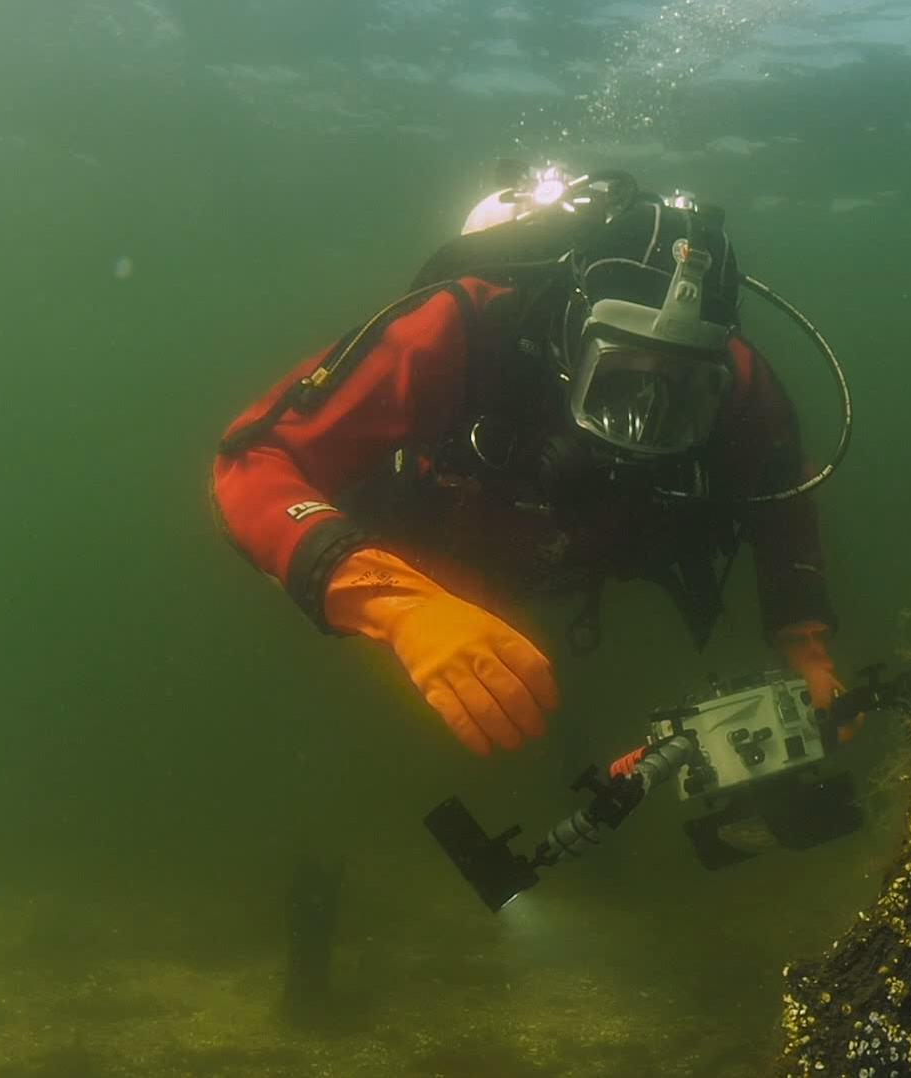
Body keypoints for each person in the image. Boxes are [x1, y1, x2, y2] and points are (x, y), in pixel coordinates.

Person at [210, 165, 850, 758]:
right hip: (436, 548)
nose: (640, 426)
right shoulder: (461, 329)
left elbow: (782, 496)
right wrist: (398, 606)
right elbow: (253, 461)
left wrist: (807, 646)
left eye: (679, 395)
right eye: (619, 378)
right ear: (570, 332)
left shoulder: (737, 379)